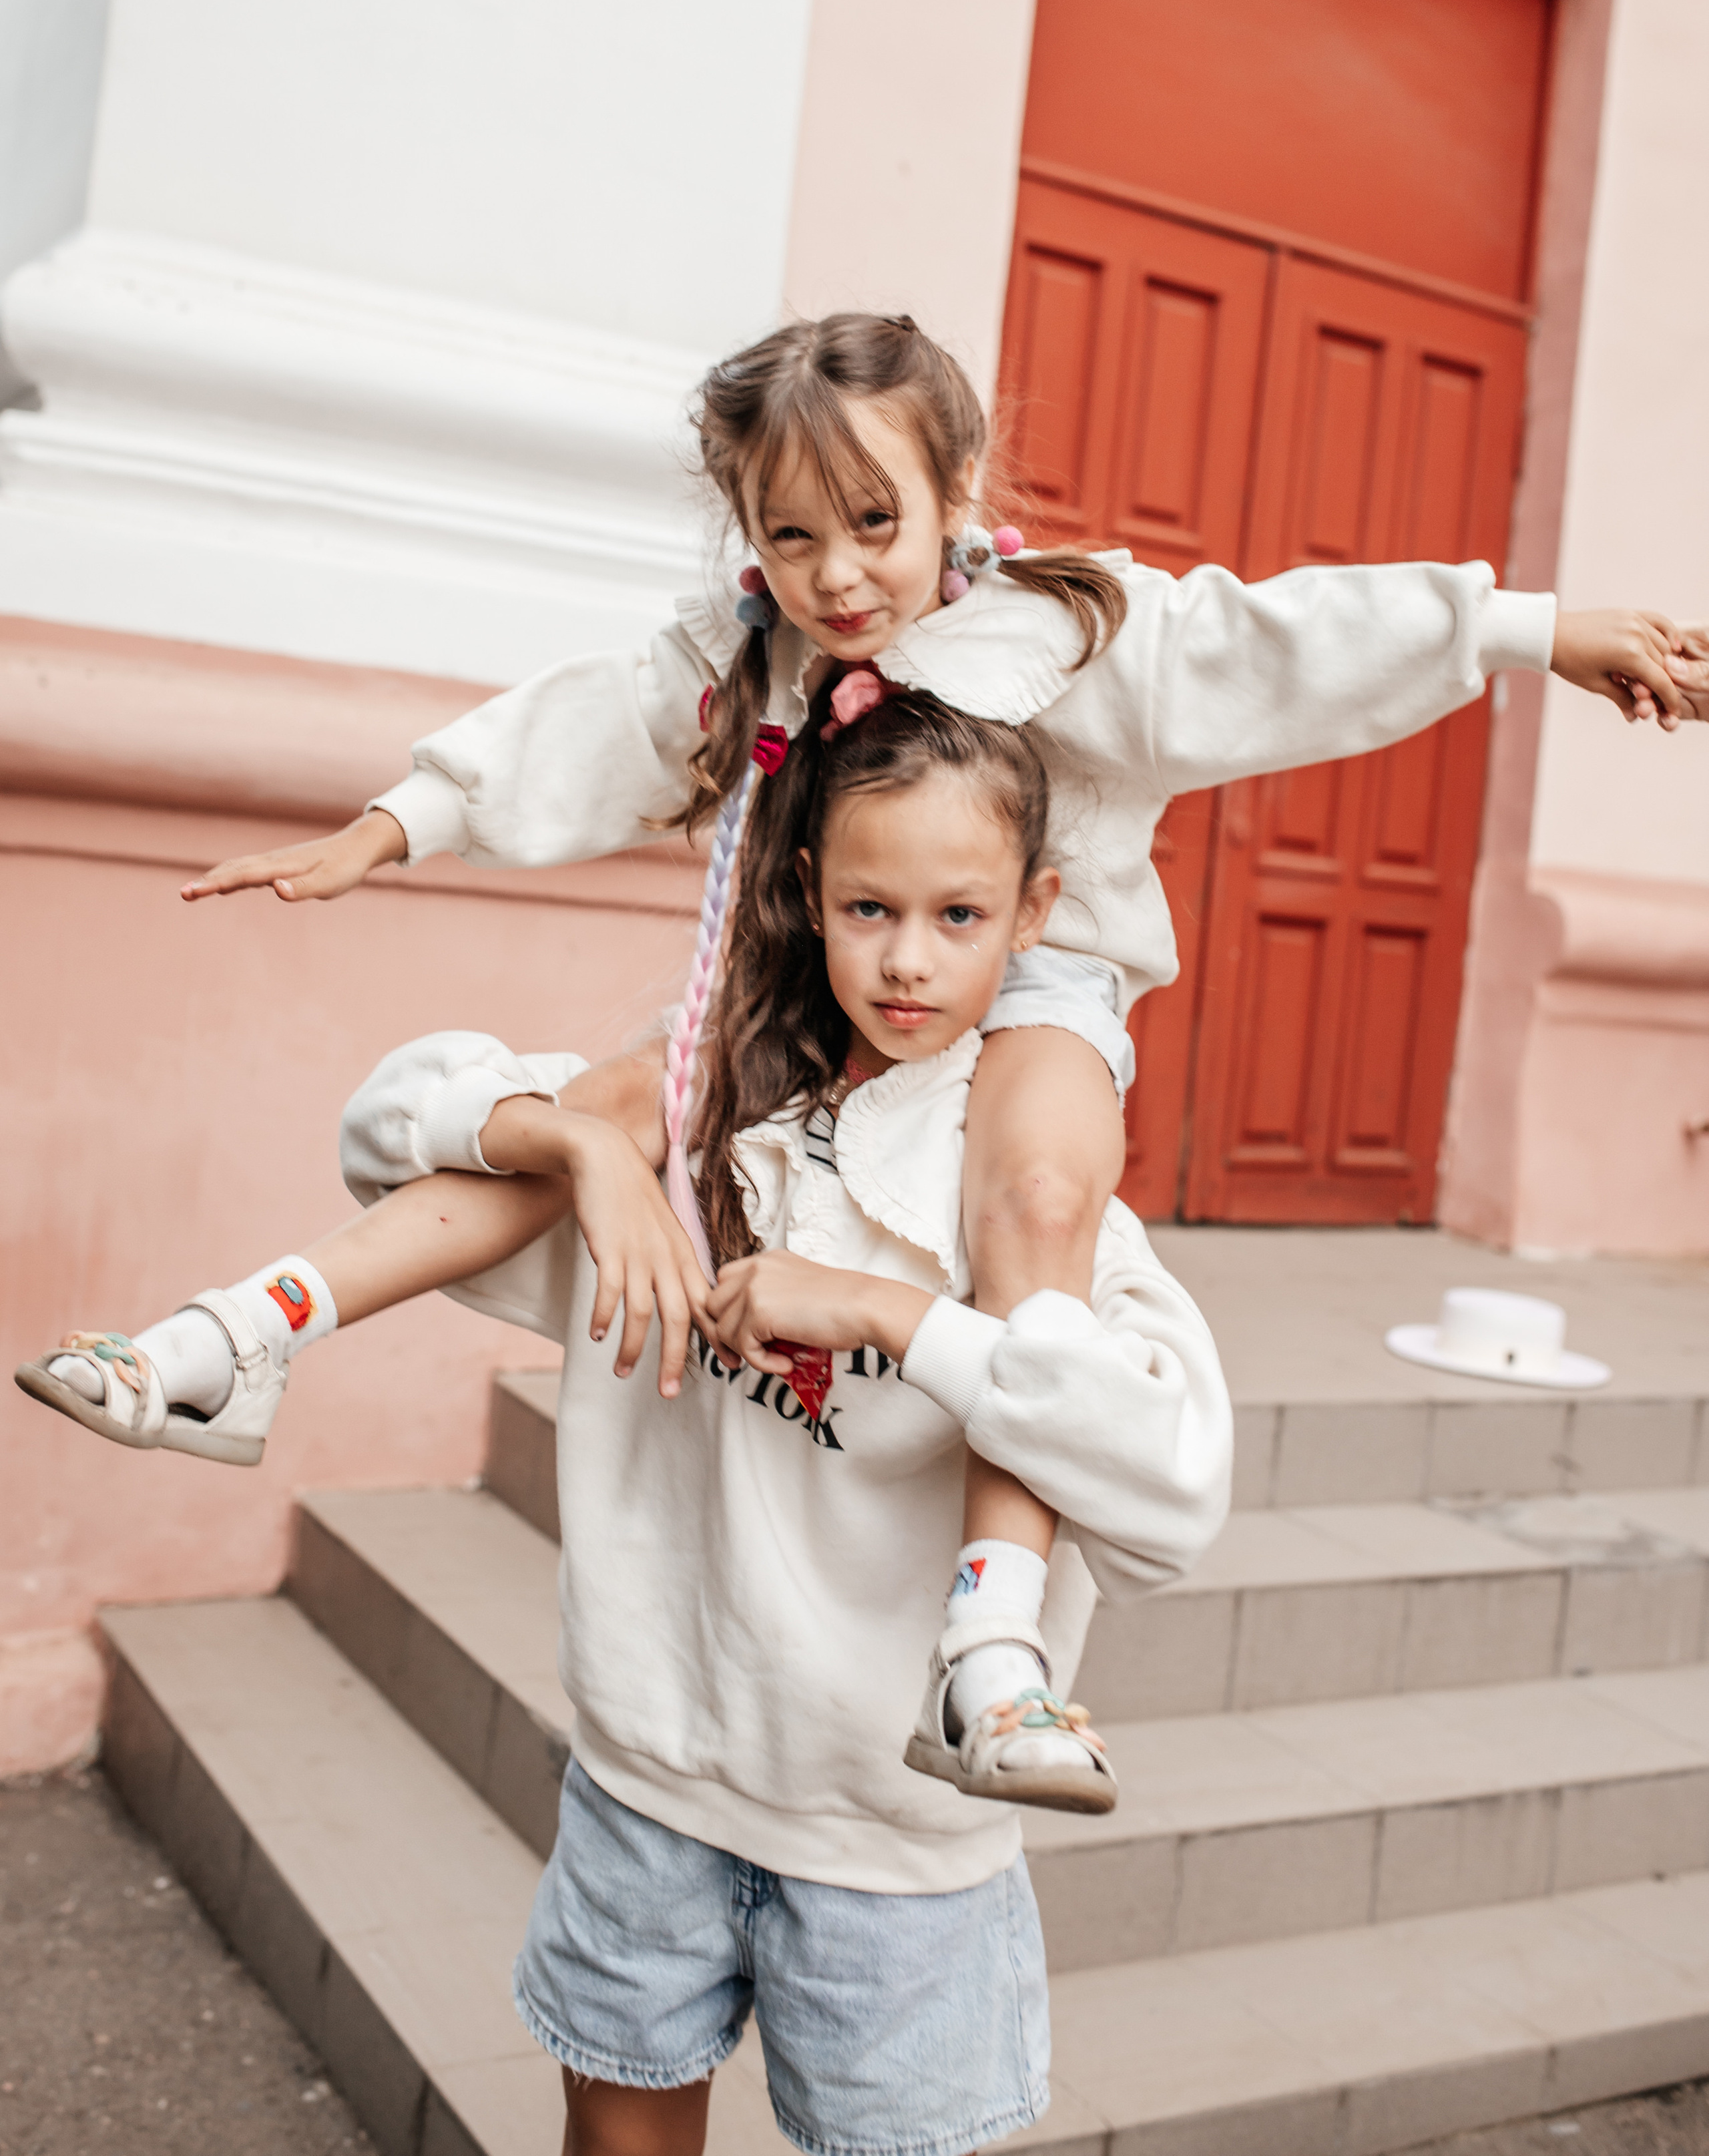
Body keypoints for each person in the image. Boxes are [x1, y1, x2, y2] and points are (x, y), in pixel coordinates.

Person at [18, 310, 1704, 1792]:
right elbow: (588, 724)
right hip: (811, 984)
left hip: (1035, 990)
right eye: (792, 534)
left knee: (1035, 1190)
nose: (839, 576)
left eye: (877, 524)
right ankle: (245, 1338)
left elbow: (1267, 643)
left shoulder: (1066, 629)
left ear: (956, 487)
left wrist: (1528, 628)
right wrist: (389, 827)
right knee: (576, 1116)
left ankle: (991, 1650)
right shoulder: (750, 652)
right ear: (747, 531)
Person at [416, 682, 1232, 2156]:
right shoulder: (706, 1142)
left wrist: (893, 1320)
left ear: (1035, 913)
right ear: (804, 895)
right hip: (648, 1785)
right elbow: (386, 1136)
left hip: (895, 1854)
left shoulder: (1040, 1210)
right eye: (867, 909)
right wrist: (587, 1160)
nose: (907, 961)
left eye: (957, 917)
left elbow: (1174, 1497)